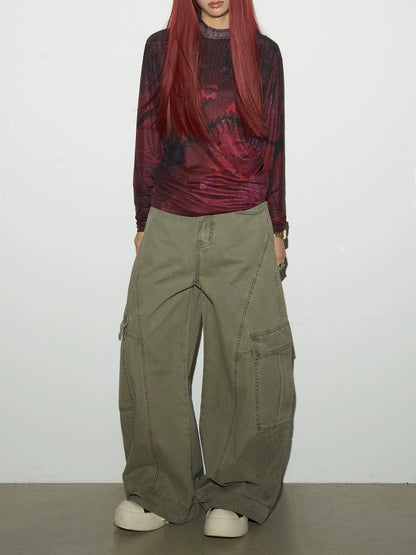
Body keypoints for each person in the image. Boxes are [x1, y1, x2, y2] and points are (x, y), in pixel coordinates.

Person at [113, 0, 296, 539]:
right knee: (150, 354)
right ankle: (161, 490)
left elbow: (274, 143)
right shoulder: (160, 48)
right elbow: (148, 136)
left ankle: (235, 492)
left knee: (247, 361)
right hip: (169, 221)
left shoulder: (264, 55)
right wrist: (143, 218)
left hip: (243, 223)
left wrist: (277, 227)